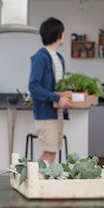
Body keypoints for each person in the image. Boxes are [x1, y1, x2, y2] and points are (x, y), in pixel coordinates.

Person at [28, 17, 71, 163]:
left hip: (57, 113)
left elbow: (56, 85)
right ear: (58, 35)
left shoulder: (58, 57)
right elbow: (33, 86)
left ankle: (40, 183)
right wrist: (57, 98)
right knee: (49, 153)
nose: (64, 36)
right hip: (46, 114)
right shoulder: (40, 57)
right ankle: (31, 181)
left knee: (52, 153)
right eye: (63, 33)